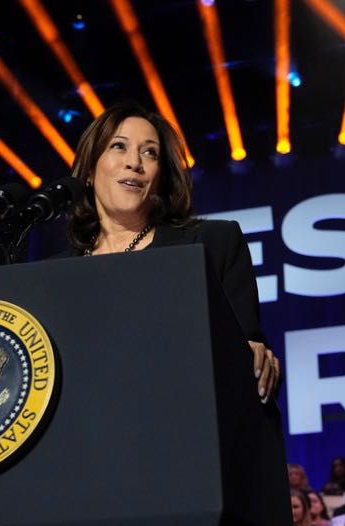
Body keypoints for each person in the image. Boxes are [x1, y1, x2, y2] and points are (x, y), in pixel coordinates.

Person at [60, 101, 280, 399]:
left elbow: (247, 353)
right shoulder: (55, 276)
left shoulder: (213, 245)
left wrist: (253, 356)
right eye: (119, 147)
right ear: (88, 169)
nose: (134, 162)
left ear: (160, 176)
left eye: (149, 152)